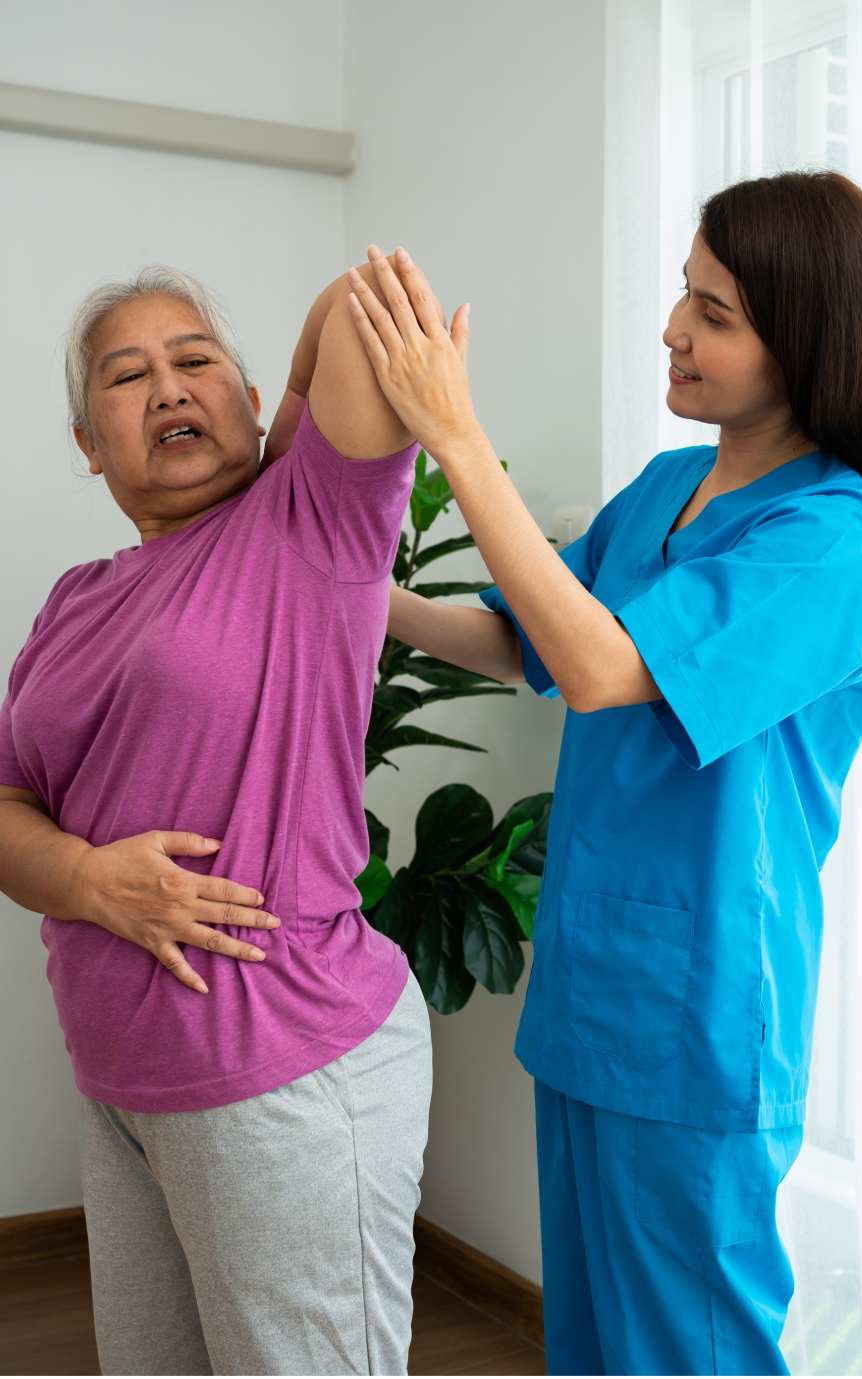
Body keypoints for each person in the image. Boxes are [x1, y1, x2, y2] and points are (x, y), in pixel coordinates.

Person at [344, 170, 862, 1375]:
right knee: (588, 1343)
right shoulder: (666, 489)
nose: (675, 329)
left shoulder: (836, 539)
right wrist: (358, 599)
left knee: (692, 1352)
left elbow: (599, 667)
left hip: (700, 1010)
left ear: (808, 338)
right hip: (594, 984)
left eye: (717, 314)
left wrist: (456, 435)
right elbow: (523, 635)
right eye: (684, 293)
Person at [0, 259, 433, 1377]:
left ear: (252, 402)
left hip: (280, 1065)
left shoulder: (313, 527)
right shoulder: (76, 599)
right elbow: (6, 803)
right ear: (89, 443)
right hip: (124, 1086)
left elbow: (363, 302)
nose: (167, 388)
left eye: (196, 362)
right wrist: (94, 881)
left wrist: (286, 427)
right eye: (125, 377)